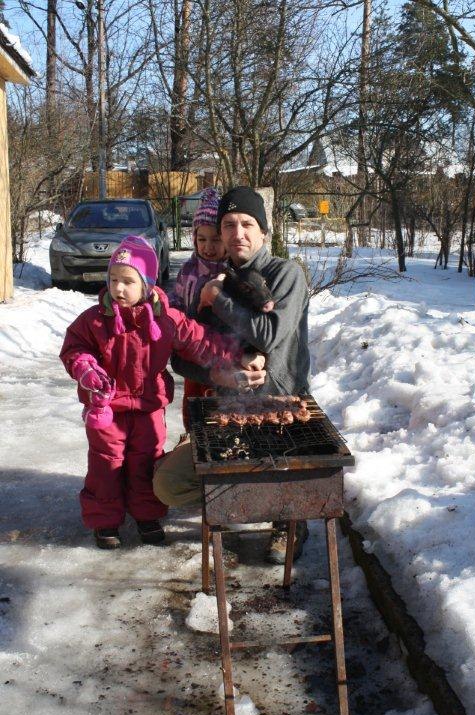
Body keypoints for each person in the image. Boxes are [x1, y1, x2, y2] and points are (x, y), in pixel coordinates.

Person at [60, 234, 263, 550]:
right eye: (113, 279)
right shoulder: (96, 318)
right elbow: (74, 347)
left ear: (147, 283)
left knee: (146, 461)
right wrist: (86, 368)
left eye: (128, 281)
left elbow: (200, 341)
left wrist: (239, 355)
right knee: (106, 464)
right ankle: (105, 520)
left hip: (149, 406)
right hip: (108, 407)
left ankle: (146, 515)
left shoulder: (165, 317)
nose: (118, 288)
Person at [153, 186, 311, 563]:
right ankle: (237, 498)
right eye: (229, 224)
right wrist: (223, 374)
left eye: (246, 224)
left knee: (282, 471)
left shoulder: (285, 274)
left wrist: (217, 301)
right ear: (220, 233)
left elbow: (269, 334)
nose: (237, 233)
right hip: (229, 413)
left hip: (280, 409)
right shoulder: (216, 279)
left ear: (263, 232)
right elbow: (184, 357)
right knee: (167, 485)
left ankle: (288, 518)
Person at [169, 187, 228, 429]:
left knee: (221, 410)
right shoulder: (189, 270)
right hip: (191, 353)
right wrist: (172, 309)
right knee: (193, 405)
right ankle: (193, 438)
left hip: (223, 354)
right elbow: (178, 298)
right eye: (201, 239)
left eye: (216, 239)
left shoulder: (231, 272)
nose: (208, 247)